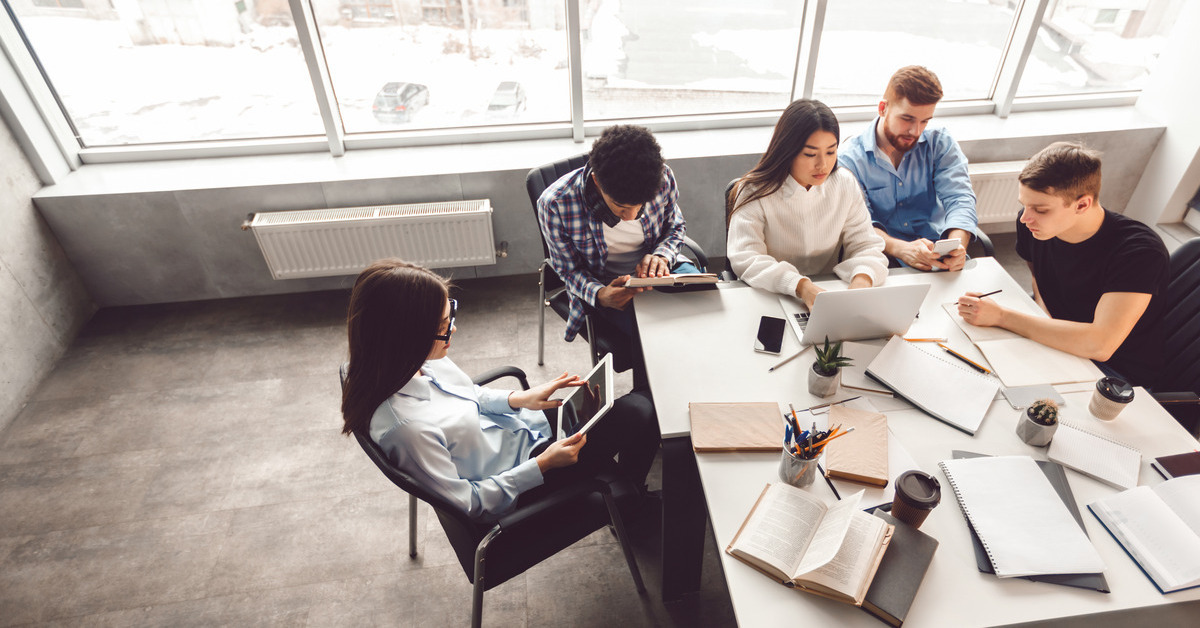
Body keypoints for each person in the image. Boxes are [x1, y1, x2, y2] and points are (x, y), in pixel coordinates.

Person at [340, 259, 660, 520]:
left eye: (449, 316)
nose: (453, 329)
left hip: (521, 433)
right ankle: (630, 506)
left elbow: (469, 395)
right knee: (641, 410)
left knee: (613, 406)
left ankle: (627, 498)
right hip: (523, 477)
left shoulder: (408, 362)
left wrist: (520, 398)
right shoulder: (407, 430)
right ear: (405, 337)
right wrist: (543, 465)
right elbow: (470, 504)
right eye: (441, 327)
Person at [956, 142, 1168, 387]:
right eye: (1024, 205)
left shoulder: (1139, 252)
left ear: (1082, 205)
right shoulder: (1033, 226)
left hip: (1113, 373)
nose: (1025, 218)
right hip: (1056, 339)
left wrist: (1003, 317)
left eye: (1041, 209)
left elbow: (1099, 345)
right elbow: (1040, 280)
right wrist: (1041, 317)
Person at [537, 125, 699, 384]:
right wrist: (600, 295)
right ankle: (653, 403)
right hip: (608, 286)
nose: (631, 217)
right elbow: (567, 270)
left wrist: (662, 255)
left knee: (707, 313)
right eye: (621, 207)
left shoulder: (663, 177)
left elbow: (675, 226)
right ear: (597, 183)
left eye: (639, 207)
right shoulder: (555, 204)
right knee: (657, 342)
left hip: (664, 271)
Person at [726, 98, 888, 308]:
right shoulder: (753, 191)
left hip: (829, 295)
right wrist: (802, 287)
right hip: (770, 298)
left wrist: (861, 282)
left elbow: (867, 245)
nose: (823, 164)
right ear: (788, 150)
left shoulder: (844, 184)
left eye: (831, 151)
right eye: (810, 154)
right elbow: (746, 258)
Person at [838, 65, 978, 272]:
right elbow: (859, 225)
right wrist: (901, 249)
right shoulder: (849, 159)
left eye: (925, 121)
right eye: (907, 119)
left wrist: (957, 244)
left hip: (939, 253)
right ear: (882, 108)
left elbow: (960, 199)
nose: (916, 131)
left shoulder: (940, 143)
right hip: (884, 259)